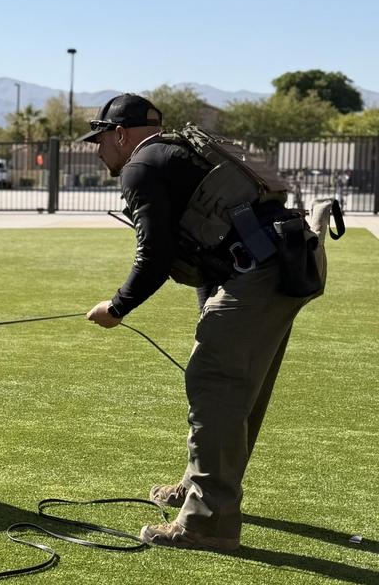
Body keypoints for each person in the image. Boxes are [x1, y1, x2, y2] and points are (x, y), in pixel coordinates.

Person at [79, 94, 327, 551]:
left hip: (261, 271)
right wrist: (209, 307)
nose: (97, 152)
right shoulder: (182, 150)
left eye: (100, 140)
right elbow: (204, 246)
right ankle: (202, 490)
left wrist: (115, 308)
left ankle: (208, 522)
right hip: (287, 261)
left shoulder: (141, 166)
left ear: (120, 134)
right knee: (239, 389)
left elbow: (153, 256)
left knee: (215, 387)